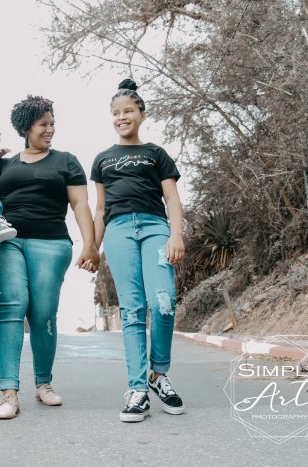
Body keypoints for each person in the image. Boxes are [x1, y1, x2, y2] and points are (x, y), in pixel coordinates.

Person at [0, 95, 100, 420]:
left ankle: (44, 383)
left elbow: (80, 204)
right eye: (44, 124)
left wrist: (90, 244)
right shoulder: (4, 165)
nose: (50, 129)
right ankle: (9, 392)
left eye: (52, 123)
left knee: (42, 314)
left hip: (51, 243)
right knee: (11, 308)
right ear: (26, 127)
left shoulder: (66, 161)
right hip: (7, 241)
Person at [91, 79, 185, 423]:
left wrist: (176, 235)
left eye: (128, 111)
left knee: (163, 301)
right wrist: (92, 247)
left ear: (142, 114)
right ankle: (137, 389)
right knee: (132, 309)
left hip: (154, 227)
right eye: (116, 113)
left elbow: (172, 197)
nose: (122, 117)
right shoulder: (102, 159)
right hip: (118, 231)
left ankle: (159, 375)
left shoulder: (156, 154)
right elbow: (100, 208)